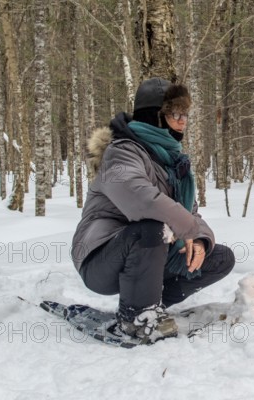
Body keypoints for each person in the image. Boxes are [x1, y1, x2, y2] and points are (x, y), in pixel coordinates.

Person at [71, 77, 235, 343]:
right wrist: (188, 228)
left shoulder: (172, 160)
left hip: (150, 258)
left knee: (219, 258)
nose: (183, 121)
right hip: (100, 259)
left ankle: (150, 305)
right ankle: (137, 318)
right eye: (175, 114)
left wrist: (201, 239)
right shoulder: (121, 152)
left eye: (185, 114)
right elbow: (141, 199)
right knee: (150, 228)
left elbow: (191, 213)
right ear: (155, 117)